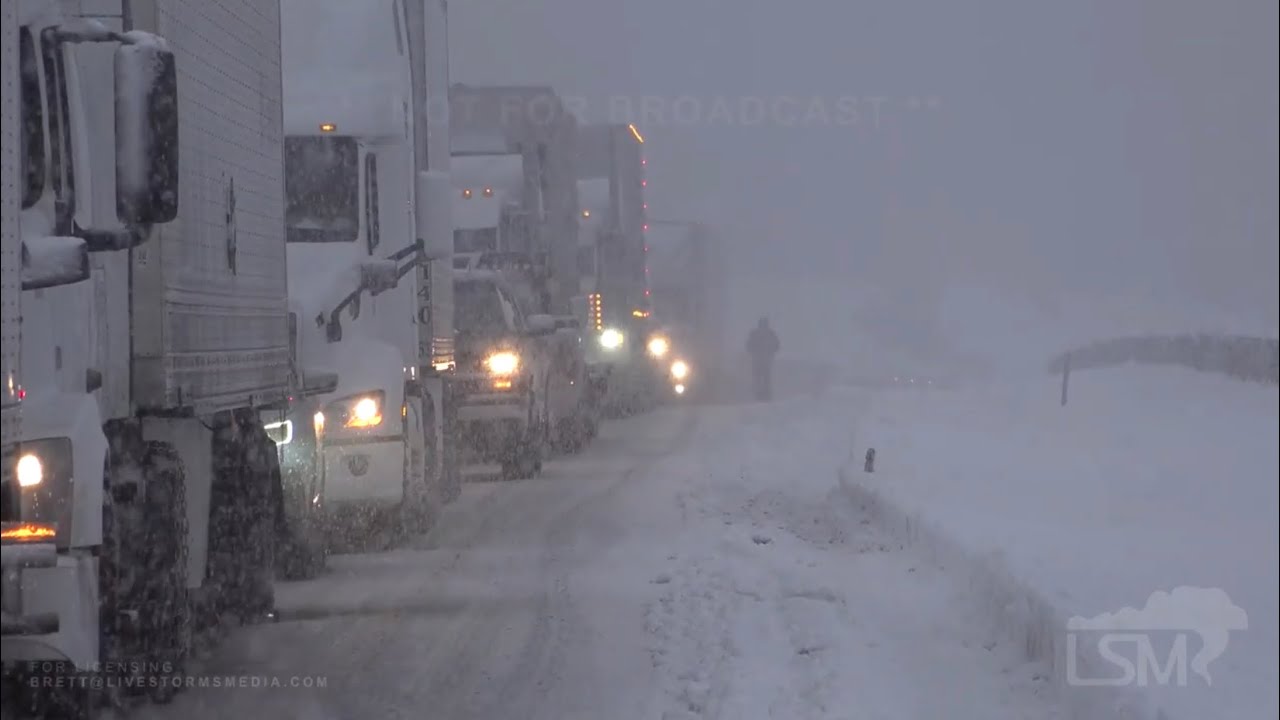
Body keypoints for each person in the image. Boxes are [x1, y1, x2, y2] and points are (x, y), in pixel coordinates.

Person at [745, 317, 780, 401]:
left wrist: (753, 353)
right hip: (763, 360)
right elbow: (777, 345)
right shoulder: (770, 333)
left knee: (760, 378)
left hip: (759, 360)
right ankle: (765, 396)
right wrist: (771, 353)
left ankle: (759, 395)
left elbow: (748, 345)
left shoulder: (755, 333)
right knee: (764, 378)